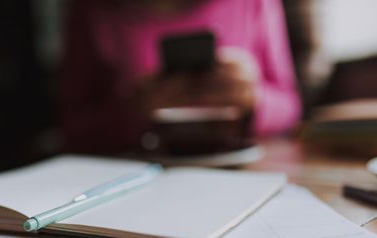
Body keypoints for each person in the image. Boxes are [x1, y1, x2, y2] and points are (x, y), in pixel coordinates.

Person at [59, 0, 301, 153]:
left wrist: (253, 99)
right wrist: (133, 110)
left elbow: (290, 107)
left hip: (245, 171)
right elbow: (71, 128)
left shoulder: (254, 4)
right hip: (132, 175)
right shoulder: (93, 9)